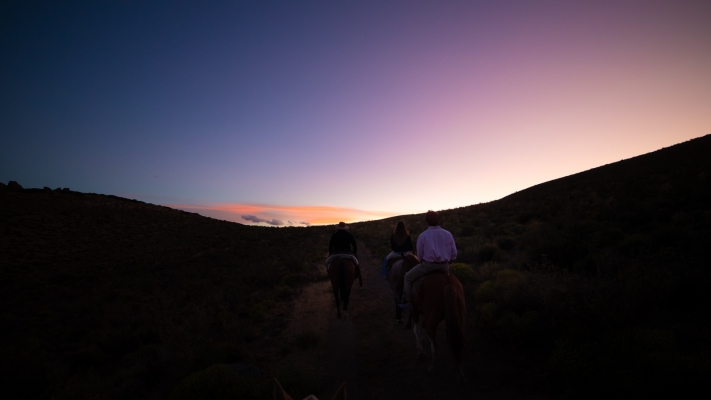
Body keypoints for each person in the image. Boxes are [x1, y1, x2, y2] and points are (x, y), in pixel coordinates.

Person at [401, 210, 457, 307]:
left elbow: (420, 255)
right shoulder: (448, 234)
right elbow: (454, 253)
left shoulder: (423, 236)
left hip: (428, 266)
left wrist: (422, 260)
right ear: (438, 220)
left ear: (427, 221)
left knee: (407, 278)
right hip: (444, 267)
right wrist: (450, 261)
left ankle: (409, 302)